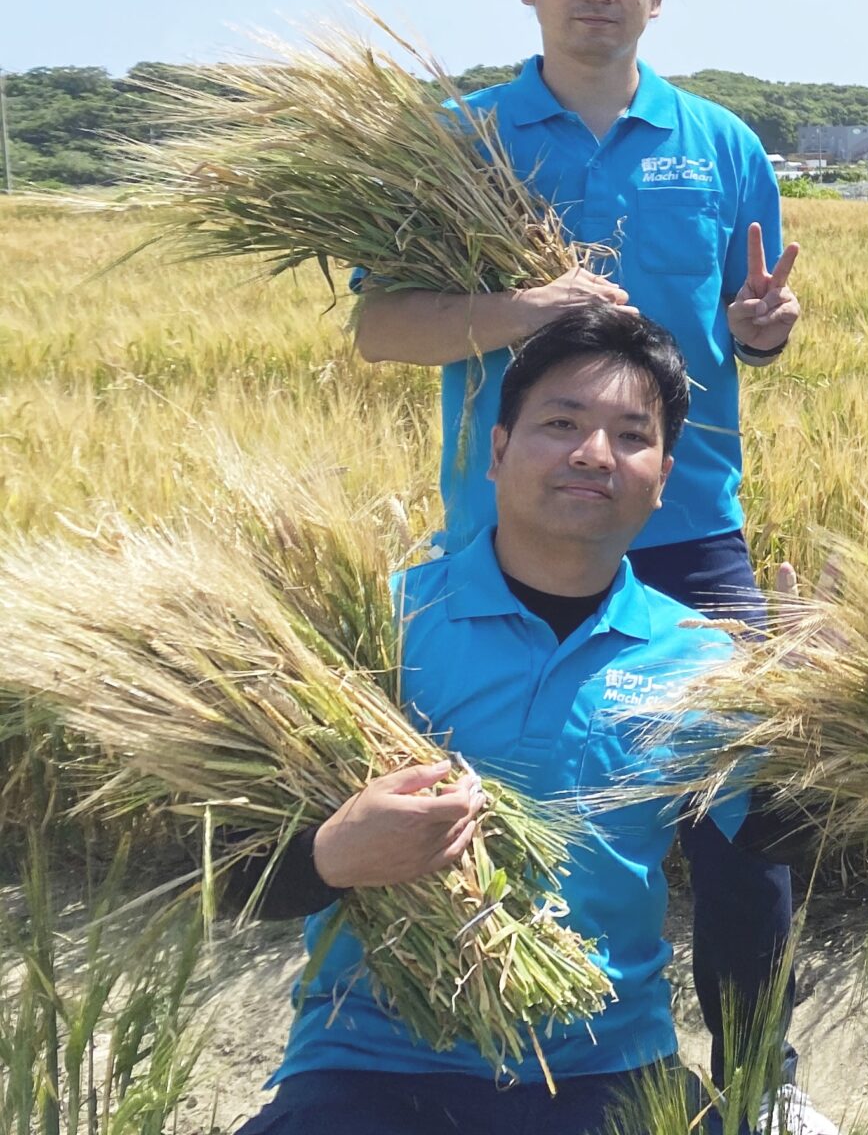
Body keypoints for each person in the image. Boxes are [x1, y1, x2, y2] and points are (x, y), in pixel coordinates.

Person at [348, 0, 809, 1103]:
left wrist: (764, 330)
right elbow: (382, 326)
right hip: (508, 535)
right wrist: (522, 309)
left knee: (747, 818)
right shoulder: (462, 142)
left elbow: (750, 320)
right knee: (502, 794)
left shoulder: (720, 144)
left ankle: (758, 1078)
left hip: (690, 524)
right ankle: (497, 1048)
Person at [231, 306, 822, 1134]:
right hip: (369, 1067)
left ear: (663, 478)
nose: (594, 453)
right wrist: (333, 855)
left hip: (607, 1068)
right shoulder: (372, 630)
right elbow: (225, 871)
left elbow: (791, 839)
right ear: (497, 449)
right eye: (562, 423)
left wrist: (824, 723)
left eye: (631, 436)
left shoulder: (702, 661)